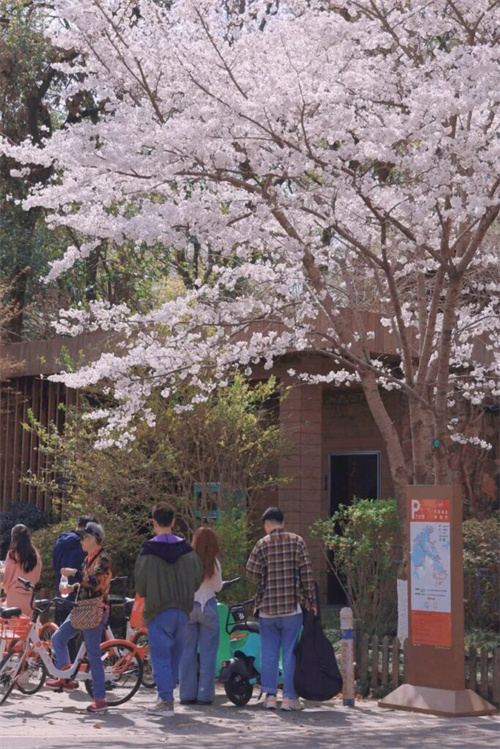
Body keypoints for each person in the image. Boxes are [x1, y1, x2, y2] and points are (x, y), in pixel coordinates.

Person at [134, 502, 203, 717]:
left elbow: (140, 585)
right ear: (173, 522)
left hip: (158, 610)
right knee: (174, 656)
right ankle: (166, 695)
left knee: (161, 656)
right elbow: (197, 579)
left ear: (153, 522)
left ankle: (165, 701)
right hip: (182, 611)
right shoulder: (188, 550)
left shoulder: (148, 550)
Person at [246, 506, 317, 711]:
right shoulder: (297, 541)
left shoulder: (261, 544)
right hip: (291, 609)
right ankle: (289, 698)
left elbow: (251, 574)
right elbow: (307, 574)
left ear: (267, 524)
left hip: (267, 610)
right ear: (283, 523)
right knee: (289, 653)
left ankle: (269, 696)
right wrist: (311, 601)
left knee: (268, 653)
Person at [46, 522, 112, 714]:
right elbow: (85, 584)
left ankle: (100, 699)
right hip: (81, 607)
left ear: (92, 539)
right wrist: (72, 587)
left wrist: (74, 573)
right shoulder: (88, 558)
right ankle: (66, 677)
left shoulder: (104, 559)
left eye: (83, 538)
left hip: (95, 609)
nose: (81, 541)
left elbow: (96, 583)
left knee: (93, 655)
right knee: (58, 638)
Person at [179, 527, 222, 705]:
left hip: (189, 606)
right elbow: (218, 587)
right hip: (209, 606)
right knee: (208, 653)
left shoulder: (187, 560)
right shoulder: (214, 563)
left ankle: (186, 694)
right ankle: (205, 695)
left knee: (186, 652)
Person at [52, 514, 98, 665]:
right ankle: (86, 669)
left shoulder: (60, 542)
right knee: (90, 637)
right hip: (81, 594)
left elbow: (55, 565)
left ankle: (66, 670)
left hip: (62, 591)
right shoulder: (85, 544)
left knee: (64, 638)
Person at [2, 524, 42, 615]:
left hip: (14, 596)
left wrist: (5, 587)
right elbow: (37, 577)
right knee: (27, 623)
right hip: (30, 597)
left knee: (13, 623)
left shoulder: (13, 554)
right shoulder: (35, 555)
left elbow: (7, 577)